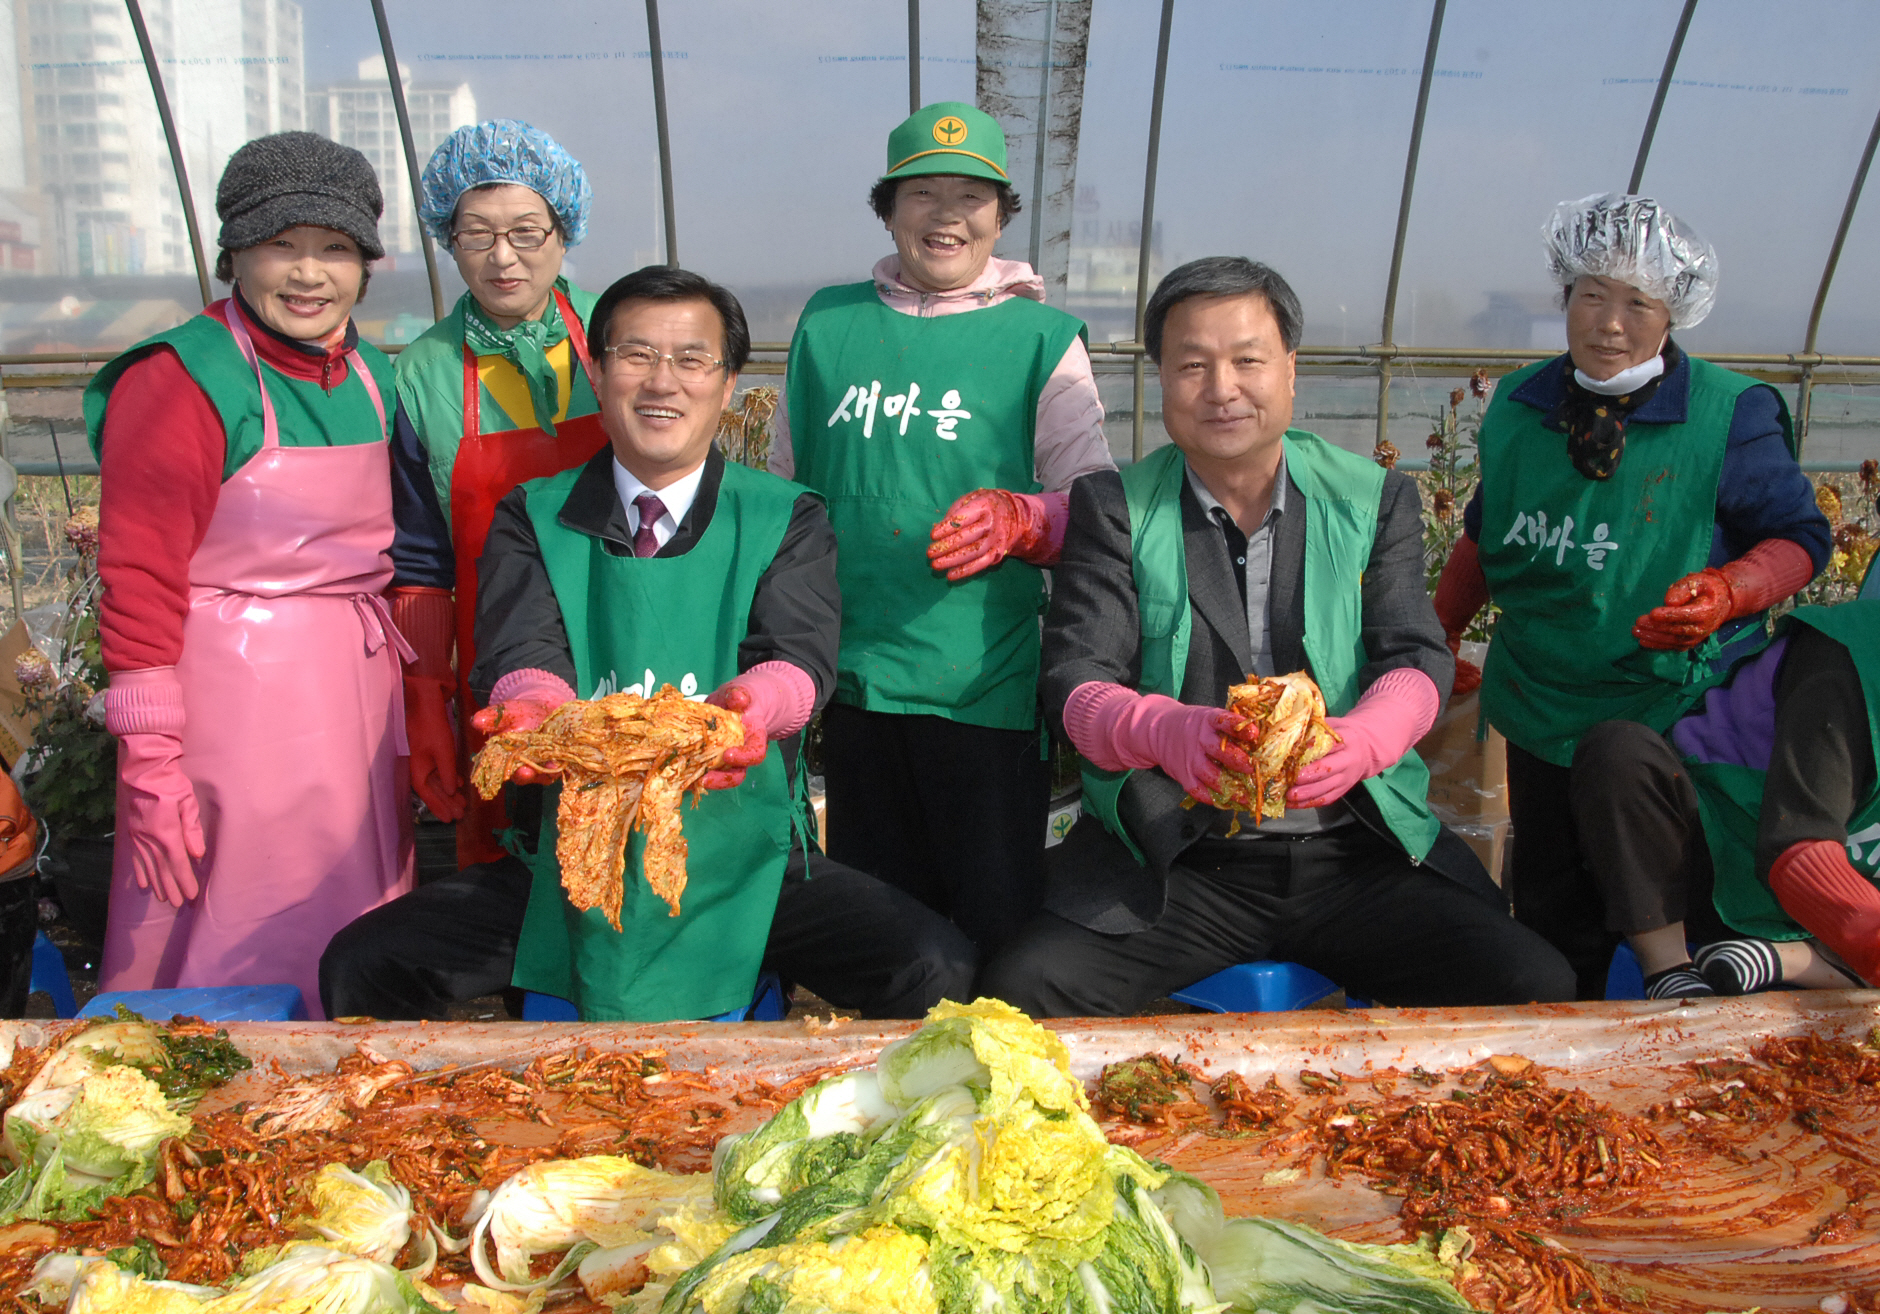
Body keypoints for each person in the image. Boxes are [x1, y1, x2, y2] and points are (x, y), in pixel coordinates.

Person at [321, 266, 975, 1022]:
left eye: (692, 359)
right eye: (635, 355)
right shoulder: (532, 514)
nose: (662, 381)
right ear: (597, 373)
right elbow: (519, 653)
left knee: (934, 965)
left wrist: (749, 713)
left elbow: (798, 659)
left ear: (727, 384)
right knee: (365, 966)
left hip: (745, 859)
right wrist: (536, 711)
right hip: (570, 861)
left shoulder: (784, 516)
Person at [977, 257, 1575, 1016]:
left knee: (1532, 985)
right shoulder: (1115, 505)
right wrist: (1162, 730)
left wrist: (1364, 739)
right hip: (1184, 860)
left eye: (1247, 360)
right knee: (1023, 990)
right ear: (1161, 379)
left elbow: (1415, 652)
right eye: (1192, 364)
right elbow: (1074, 674)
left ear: (1290, 371)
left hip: (1356, 855)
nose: (1221, 388)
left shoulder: (1372, 498)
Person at [1432, 193, 1829, 998]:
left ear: (1673, 312)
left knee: (1670, 886)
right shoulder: (1519, 406)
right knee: (1553, 905)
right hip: (1542, 697)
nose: (1609, 323)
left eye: (1637, 303)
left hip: (1675, 709)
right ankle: (1564, 1053)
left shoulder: (1729, 415)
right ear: (1565, 297)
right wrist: (1437, 635)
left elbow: (1801, 538)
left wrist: (1731, 589)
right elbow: (1485, 532)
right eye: (1591, 296)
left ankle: (1681, 1003)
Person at [775, 101, 1114, 956]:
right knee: (886, 928)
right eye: (922, 193)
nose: (947, 214)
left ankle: (998, 1078)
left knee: (994, 919)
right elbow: (784, 492)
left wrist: (1028, 519)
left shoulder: (1042, 339)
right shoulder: (829, 324)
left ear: (1002, 216)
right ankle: (898, 1084)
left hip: (982, 685)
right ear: (887, 210)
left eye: (973, 195)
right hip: (851, 679)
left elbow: (1100, 513)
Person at [84, 133, 407, 1018]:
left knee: (352, 910)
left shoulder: (375, 376)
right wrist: (151, 761)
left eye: (335, 248)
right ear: (233, 253)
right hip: (232, 709)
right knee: (229, 923)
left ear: (367, 265)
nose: (309, 274)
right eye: (281, 245)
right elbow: (139, 574)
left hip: (355, 703)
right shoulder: (182, 379)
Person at [389, 120, 609, 867]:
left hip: (624, 630)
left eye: (525, 230)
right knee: (516, 862)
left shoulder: (619, 333)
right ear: (447, 241)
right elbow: (420, 557)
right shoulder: (421, 371)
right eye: (476, 234)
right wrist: (427, 696)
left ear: (564, 231)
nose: (502, 256)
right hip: (498, 658)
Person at [1573, 599, 1880, 996]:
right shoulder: (1850, 651)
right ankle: (1668, 970)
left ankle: (1789, 960)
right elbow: (1799, 847)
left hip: (1852, 889)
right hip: (1729, 844)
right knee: (1618, 752)